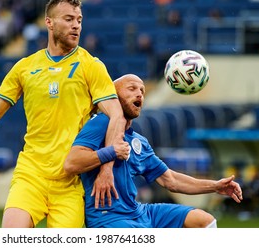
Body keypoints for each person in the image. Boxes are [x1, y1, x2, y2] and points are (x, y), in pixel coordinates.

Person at [0, 0, 127, 228]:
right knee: (13, 236)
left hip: (70, 181)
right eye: (69, 19)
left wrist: (107, 168)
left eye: (79, 20)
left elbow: (116, 115)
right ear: (49, 23)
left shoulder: (91, 65)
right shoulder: (24, 67)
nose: (76, 25)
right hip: (31, 173)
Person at [64, 74, 243, 228]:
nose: (139, 94)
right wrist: (110, 152)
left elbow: (170, 180)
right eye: (132, 88)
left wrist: (215, 186)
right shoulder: (101, 122)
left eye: (142, 90)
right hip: (109, 217)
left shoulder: (138, 141)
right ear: (114, 96)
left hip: (139, 211)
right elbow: (72, 162)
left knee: (205, 221)